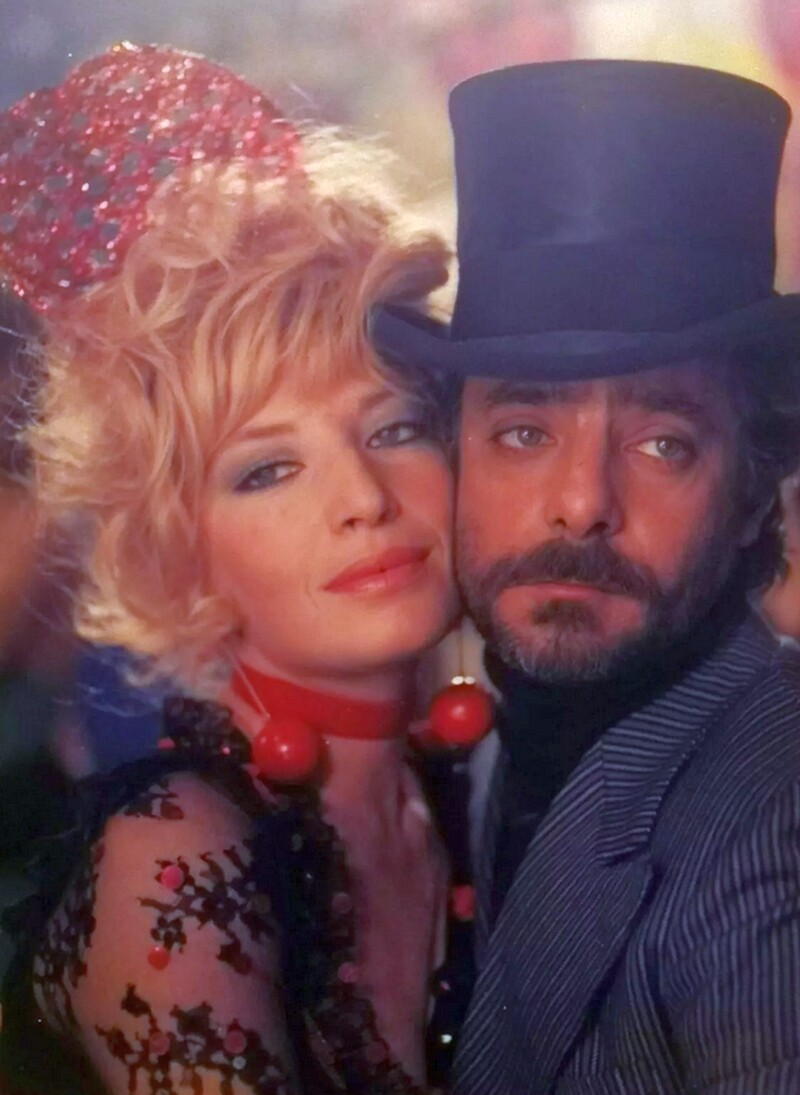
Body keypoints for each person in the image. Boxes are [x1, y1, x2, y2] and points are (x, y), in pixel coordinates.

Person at [0, 43, 481, 1095]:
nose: (362, 497)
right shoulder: (173, 856)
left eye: (395, 427)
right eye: (267, 469)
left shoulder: (468, 793)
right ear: (182, 544)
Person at [372, 60, 800, 1093]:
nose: (580, 504)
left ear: (752, 492)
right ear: (454, 452)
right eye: (524, 430)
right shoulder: (475, 761)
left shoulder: (772, 822)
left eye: (663, 444)